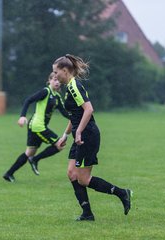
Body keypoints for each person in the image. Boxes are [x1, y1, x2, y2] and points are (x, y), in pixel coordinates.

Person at [53, 54, 132, 221]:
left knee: (83, 178)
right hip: (78, 135)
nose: (55, 76)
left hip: (87, 135)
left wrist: (79, 131)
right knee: (71, 173)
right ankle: (87, 214)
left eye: (56, 72)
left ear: (65, 70)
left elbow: (89, 109)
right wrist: (65, 135)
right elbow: (74, 115)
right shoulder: (69, 88)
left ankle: (122, 193)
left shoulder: (75, 86)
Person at [3, 72, 70, 182]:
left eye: (58, 80)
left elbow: (64, 112)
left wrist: (76, 118)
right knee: (60, 145)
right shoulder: (46, 92)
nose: (57, 82)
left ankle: (8, 174)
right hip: (37, 126)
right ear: (49, 81)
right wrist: (22, 116)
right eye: (54, 79)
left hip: (35, 126)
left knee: (29, 152)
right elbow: (28, 100)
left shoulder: (57, 96)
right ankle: (35, 160)